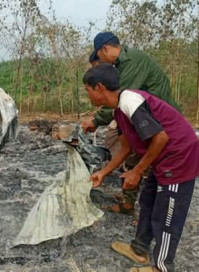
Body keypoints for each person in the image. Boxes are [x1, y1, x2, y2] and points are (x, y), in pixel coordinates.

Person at [82, 63, 199, 272]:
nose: (87, 95)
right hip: (161, 159)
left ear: (99, 87)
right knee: (148, 201)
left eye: (87, 89)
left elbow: (161, 137)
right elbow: (126, 148)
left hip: (179, 158)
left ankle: (162, 267)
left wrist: (136, 171)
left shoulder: (130, 102)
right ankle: (139, 249)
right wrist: (103, 172)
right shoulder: (119, 111)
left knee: (167, 214)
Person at [82, 31, 178, 214]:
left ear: (105, 49)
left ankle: (136, 199)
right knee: (124, 145)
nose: (100, 62)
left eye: (99, 57)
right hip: (147, 118)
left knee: (147, 160)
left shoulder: (131, 64)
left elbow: (116, 97)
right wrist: (103, 173)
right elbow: (125, 145)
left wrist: (96, 120)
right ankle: (131, 196)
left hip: (158, 121)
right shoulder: (123, 65)